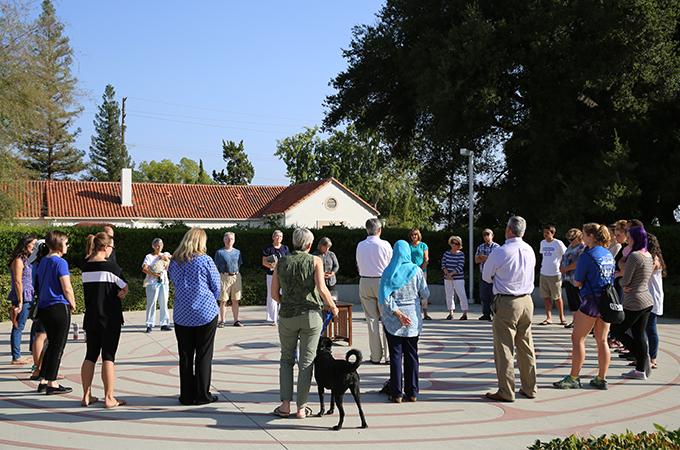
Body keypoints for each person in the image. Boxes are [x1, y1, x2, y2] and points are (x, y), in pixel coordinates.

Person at [271, 228, 338, 419]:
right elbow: (322, 288)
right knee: (306, 362)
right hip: (311, 315)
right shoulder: (315, 261)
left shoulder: (281, 262)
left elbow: (274, 294)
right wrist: (333, 307)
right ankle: (302, 408)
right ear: (309, 245)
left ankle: (285, 405)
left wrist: (287, 304)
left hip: (287, 316)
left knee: (286, 359)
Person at [482, 216, 537, 402]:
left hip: (507, 302)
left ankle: (506, 391)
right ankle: (530, 388)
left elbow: (486, 276)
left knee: (504, 348)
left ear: (509, 230)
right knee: (526, 346)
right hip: (527, 301)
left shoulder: (501, 252)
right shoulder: (529, 249)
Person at [553, 224, 614, 390]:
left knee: (577, 338)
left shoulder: (588, 255)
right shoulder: (608, 254)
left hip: (591, 301)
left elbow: (578, 280)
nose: (582, 238)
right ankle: (601, 378)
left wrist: (576, 281)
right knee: (602, 340)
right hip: (607, 301)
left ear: (592, 236)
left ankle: (573, 377)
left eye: (585, 235)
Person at [168, 228, 221, 405]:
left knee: (185, 356)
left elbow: (174, 283)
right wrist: (210, 300)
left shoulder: (174, 262)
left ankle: (186, 395)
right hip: (205, 313)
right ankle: (202, 394)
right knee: (204, 354)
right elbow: (216, 286)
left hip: (182, 314)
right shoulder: (205, 260)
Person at [80, 232, 128, 408]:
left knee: (90, 354)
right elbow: (124, 286)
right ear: (106, 247)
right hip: (109, 318)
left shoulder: (86, 267)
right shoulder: (112, 268)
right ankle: (109, 397)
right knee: (108, 356)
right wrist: (122, 292)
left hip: (91, 317)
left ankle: (86, 395)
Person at [379, 240, 429, 403]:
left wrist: (398, 313)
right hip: (412, 319)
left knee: (395, 355)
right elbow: (425, 293)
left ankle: (396, 393)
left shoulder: (388, 271)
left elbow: (385, 297)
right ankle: (412, 392)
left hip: (394, 319)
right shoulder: (416, 270)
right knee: (412, 354)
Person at [610, 225, 654, 380]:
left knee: (616, 330)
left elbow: (626, 281)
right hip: (646, 299)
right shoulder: (648, 254)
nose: (627, 240)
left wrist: (618, 279)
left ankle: (642, 357)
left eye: (629, 237)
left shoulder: (635, 256)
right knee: (638, 334)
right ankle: (640, 370)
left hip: (634, 300)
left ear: (636, 238)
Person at [35, 231, 76, 395]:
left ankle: (43, 379)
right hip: (58, 305)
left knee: (51, 344)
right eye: (65, 243)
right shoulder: (60, 263)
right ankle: (52, 382)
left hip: (44, 307)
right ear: (59, 244)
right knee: (58, 346)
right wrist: (73, 303)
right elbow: (66, 286)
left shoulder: (43, 261)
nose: (67, 246)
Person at [356, 218, 393, 364]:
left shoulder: (360, 245)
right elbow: (391, 265)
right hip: (382, 280)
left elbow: (358, 263)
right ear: (379, 230)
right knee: (386, 318)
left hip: (365, 280)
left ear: (367, 229)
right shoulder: (385, 245)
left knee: (371, 321)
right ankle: (389, 356)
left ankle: (375, 355)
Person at [7, 235, 37, 365]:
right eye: (33, 245)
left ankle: (32, 352)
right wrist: (20, 300)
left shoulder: (27, 260)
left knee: (33, 324)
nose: (35, 247)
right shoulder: (19, 260)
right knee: (18, 326)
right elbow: (18, 281)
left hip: (28, 295)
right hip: (23, 297)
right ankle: (16, 356)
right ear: (25, 245)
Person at [538, 225, 567, 326]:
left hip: (555, 273)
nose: (545, 235)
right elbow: (543, 256)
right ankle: (548, 317)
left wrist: (562, 266)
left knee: (557, 297)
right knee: (546, 297)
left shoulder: (558, 243)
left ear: (552, 233)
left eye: (547, 233)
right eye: (544, 232)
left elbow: (566, 254)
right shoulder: (542, 243)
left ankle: (562, 317)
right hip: (544, 272)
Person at [141, 238, 171, 333]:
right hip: (152, 282)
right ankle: (149, 324)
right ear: (153, 246)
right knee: (151, 303)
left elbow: (168, 266)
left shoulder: (164, 255)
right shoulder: (149, 257)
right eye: (157, 245)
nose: (159, 247)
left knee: (164, 302)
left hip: (164, 282)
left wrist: (166, 260)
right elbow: (144, 269)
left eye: (161, 245)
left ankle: (164, 323)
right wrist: (154, 274)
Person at [214, 232, 244, 327]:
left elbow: (239, 264)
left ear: (234, 240)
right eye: (227, 239)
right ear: (224, 240)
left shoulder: (237, 252)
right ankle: (222, 320)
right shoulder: (219, 252)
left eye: (231, 239)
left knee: (236, 299)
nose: (229, 240)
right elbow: (216, 266)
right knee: (223, 300)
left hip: (236, 276)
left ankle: (236, 320)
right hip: (224, 276)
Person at [29, 241, 48, 380]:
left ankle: (37, 367)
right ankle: (43, 369)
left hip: (38, 301)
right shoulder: (49, 263)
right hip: (48, 302)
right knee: (44, 337)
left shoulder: (34, 264)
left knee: (38, 335)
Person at [559, 228, 586, 329]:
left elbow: (579, 262)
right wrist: (561, 266)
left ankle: (581, 322)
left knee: (578, 300)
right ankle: (575, 320)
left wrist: (566, 268)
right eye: (569, 239)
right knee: (572, 301)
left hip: (576, 277)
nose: (570, 241)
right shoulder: (570, 246)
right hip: (567, 277)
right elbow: (564, 257)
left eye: (572, 238)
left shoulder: (582, 247)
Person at [262, 230, 290, 325]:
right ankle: (272, 318)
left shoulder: (285, 248)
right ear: (273, 237)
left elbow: (288, 261)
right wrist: (272, 266)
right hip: (271, 275)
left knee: (283, 295)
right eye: (277, 236)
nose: (279, 238)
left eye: (281, 236)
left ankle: (282, 316)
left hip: (283, 275)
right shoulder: (268, 248)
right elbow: (264, 262)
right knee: (271, 295)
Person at [646, 233, 665, 369]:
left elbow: (645, 274)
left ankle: (653, 358)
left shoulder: (654, 259)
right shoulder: (649, 257)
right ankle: (644, 356)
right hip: (646, 297)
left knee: (651, 328)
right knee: (643, 328)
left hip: (652, 297)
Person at [441, 235, 469, 320]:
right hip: (447, 278)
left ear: (459, 244)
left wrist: (451, 274)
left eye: (456, 243)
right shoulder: (446, 253)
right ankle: (451, 312)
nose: (454, 245)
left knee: (461, 294)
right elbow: (443, 264)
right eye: (453, 243)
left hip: (458, 278)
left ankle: (464, 313)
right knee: (449, 295)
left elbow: (460, 266)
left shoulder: (461, 254)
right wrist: (447, 274)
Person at [475, 229, 500, 321]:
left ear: (492, 236)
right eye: (484, 234)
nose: (486, 236)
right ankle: (486, 314)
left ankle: (495, 315)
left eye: (488, 234)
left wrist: (484, 257)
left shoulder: (497, 247)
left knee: (494, 296)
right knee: (484, 295)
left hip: (494, 275)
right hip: (483, 274)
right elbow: (476, 260)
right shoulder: (480, 247)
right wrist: (487, 258)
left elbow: (497, 260)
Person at [408, 228, 431, 320]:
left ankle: (425, 313)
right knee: (412, 291)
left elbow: (426, 259)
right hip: (410, 271)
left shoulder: (423, 245)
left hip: (422, 271)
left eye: (415, 234)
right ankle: (412, 312)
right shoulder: (408, 246)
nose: (414, 236)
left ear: (418, 235)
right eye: (412, 234)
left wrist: (421, 269)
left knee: (423, 291)